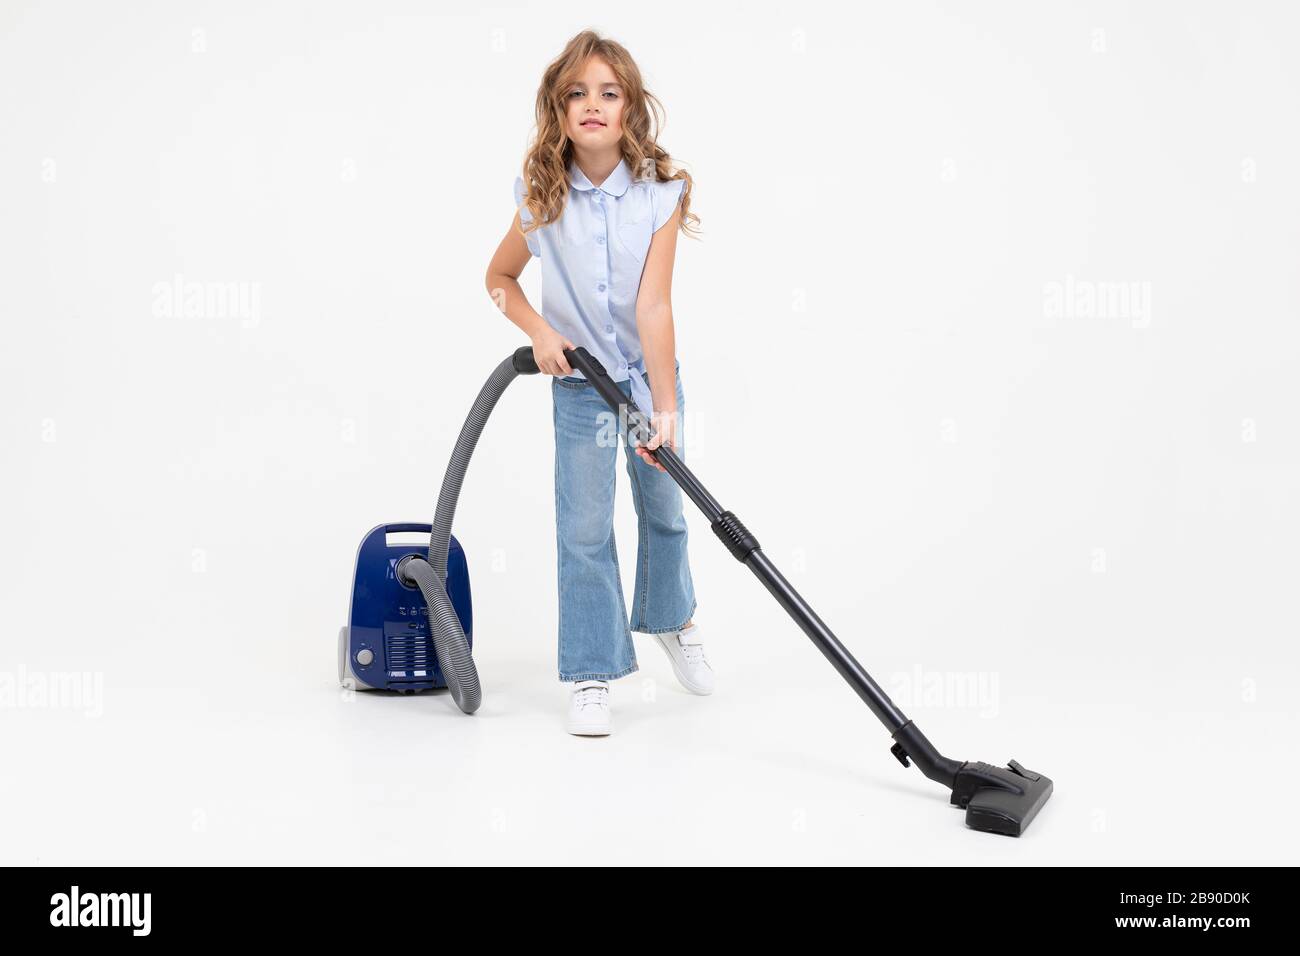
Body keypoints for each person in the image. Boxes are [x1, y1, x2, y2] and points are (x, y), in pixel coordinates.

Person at [485, 31, 713, 736]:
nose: (592, 104)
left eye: (608, 93)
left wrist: (664, 411)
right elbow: (498, 280)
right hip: (581, 387)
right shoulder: (541, 195)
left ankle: (673, 620)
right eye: (576, 93)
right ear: (559, 108)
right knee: (584, 529)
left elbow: (654, 306)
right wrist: (539, 332)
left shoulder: (660, 196)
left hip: (648, 379)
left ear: (630, 108)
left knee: (667, 512)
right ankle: (592, 668)